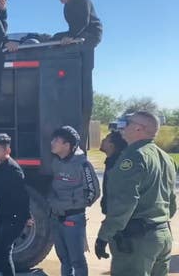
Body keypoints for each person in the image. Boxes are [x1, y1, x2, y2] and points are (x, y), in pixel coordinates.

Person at [96, 111, 177, 276]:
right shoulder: (166, 158)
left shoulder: (134, 157)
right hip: (162, 235)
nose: (123, 128)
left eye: (128, 123)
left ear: (139, 129)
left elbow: (124, 202)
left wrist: (104, 235)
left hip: (138, 241)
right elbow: (172, 203)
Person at [54, 0, 103, 150]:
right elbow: (72, 26)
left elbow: (83, 23)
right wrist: (65, 36)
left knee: (84, 65)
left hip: (89, 35)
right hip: (76, 33)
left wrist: (72, 37)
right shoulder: (66, 6)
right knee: (55, 37)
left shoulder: (82, 0)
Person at [48, 126, 100, 276]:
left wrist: (73, 205)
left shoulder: (83, 165)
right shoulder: (55, 163)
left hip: (73, 219)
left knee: (77, 260)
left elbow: (94, 192)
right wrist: (52, 202)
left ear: (67, 145)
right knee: (64, 259)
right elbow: (51, 186)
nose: (52, 142)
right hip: (57, 218)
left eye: (57, 140)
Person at [0, 133, 31, 276]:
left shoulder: (13, 170)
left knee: (1, 250)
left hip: (13, 218)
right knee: (0, 250)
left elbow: (23, 196)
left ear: (7, 151)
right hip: (4, 216)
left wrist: (27, 216)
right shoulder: (0, 166)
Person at [99, 130, 127, 215]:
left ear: (112, 146)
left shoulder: (117, 164)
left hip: (116, 213)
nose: (102, 141)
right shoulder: (110, 161)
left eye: (106, 139)